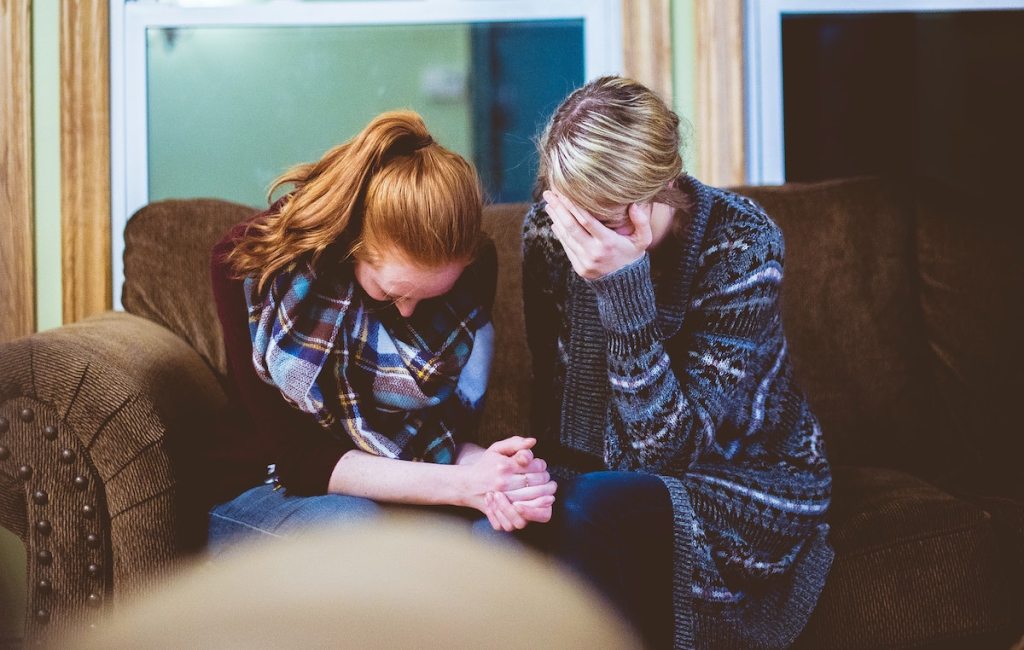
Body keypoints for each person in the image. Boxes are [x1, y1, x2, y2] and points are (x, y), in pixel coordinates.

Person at [520, 77, 834, 649]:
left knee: (598, 508)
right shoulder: (548, 230)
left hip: (744, 476)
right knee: (527, 519)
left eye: (606, 220)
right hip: (605, 475)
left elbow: (666, 456)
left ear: (664, 186)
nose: (583, 239)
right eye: (573, 214)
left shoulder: (741, 244)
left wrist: (624, 289)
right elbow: (558, 399)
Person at [206, 111, 557, 554]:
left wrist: (496, 474)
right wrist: (462, 485)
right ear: (351, 244)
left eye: (428, 298)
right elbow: (301, 462)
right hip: (267, 487)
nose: (409, 315)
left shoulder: (473, 270)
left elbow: (439, 434)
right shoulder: (249, 267)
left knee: (506, 537)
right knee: (356, 527)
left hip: (403, 481)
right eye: (391, 294)